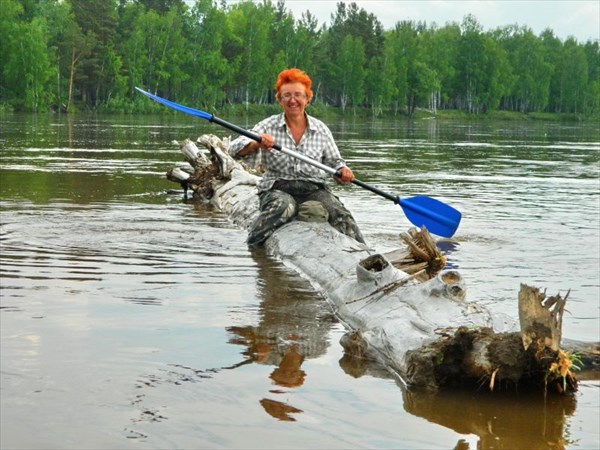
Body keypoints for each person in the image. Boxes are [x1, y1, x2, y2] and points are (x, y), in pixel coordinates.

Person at [229, 68, 365, 246]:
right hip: (277, 187)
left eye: (298, 95)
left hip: (313, 189)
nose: (293, 100)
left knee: (340, 214)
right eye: (287, 95)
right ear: (279, 99)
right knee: (283, 206)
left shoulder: (321, 129)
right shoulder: (268, 125)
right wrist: (257, 143)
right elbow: (234, 149)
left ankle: (366, 255)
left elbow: (335, 163)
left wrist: (343, 171)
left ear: (308, 98)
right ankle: (254, 249)